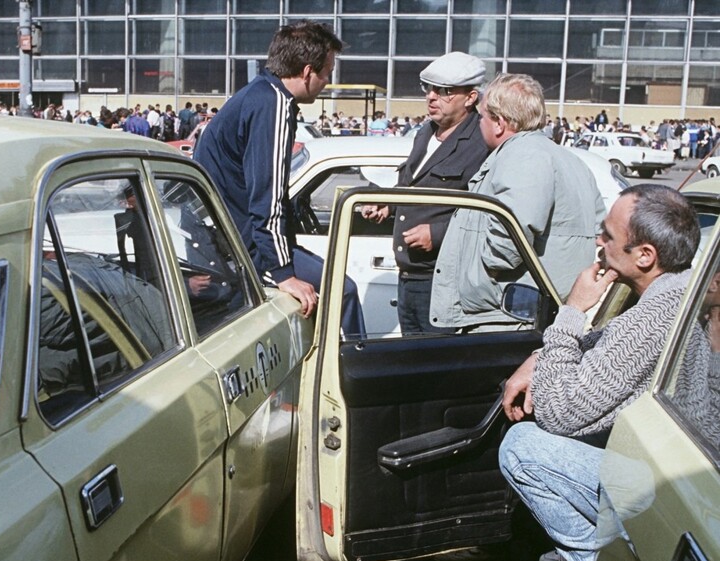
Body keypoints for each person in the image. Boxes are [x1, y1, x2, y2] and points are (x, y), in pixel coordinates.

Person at [498, 184, 701, 561]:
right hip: (665, 465)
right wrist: (543, 357)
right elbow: (605, 351)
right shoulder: (674, 290)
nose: (599, 243)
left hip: (661, 486)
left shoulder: (654, 316)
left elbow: (561, 414)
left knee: (521, 446)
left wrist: (570, 312)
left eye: (608, 235)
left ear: (644, 255)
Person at [193, 20, 364, 335]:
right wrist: (283, 273)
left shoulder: (261, 94)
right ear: (307, 71)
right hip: (243, 248)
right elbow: (267, 198)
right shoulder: (273, 104)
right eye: (328, 71)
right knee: (344, 292)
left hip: (230, 241)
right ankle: (351, 380)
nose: (328, 81)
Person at [430, 73, 604, 331]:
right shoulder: (569, 160)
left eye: (483, 117)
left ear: (499, 123)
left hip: (508, 316)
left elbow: (510, 235)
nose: (479, 124)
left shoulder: (523, 154)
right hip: (542, 312)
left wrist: (484, 271)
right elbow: (599, 232)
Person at [360, 51, 491, 334]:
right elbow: (410, 183)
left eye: (444, 91)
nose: (431, 97)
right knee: (412, 362)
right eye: (428, 88)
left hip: (442, 279)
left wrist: (439, 233)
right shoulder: (425, 132)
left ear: (470, 98)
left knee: (435, 368)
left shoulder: (482, 142)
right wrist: (388, 204)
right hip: (409, 275)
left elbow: (487, 212)